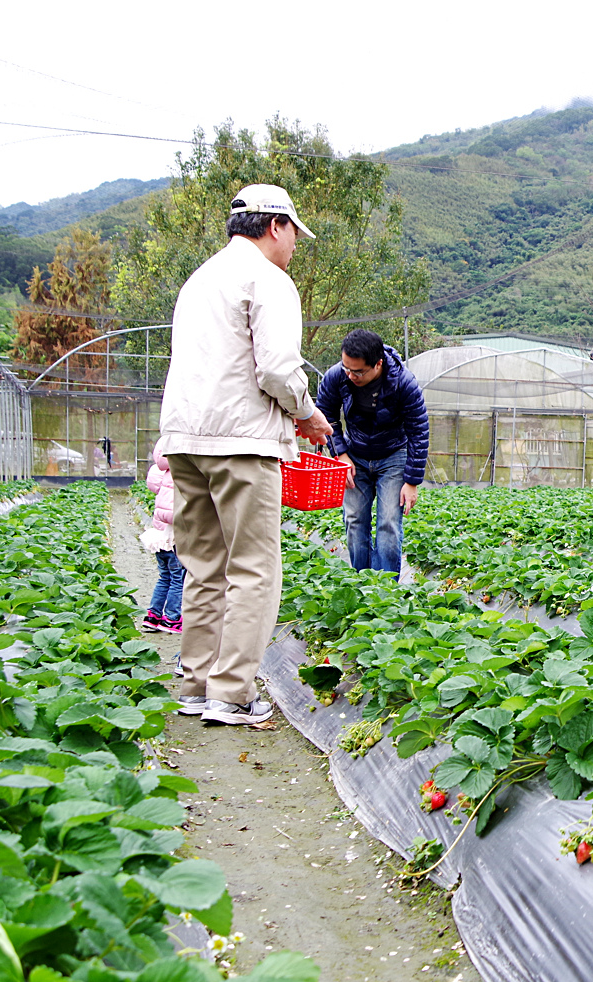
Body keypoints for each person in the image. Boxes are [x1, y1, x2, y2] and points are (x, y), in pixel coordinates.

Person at [160, 184, 334, 727]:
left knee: (203, 565)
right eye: (295, 237)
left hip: (186, 439)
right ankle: (232, 693)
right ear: (275, 225)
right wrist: (306, 413)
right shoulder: (270, 280)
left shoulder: (200, 278)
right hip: (241, 441)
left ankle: (194, 684)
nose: (294, 248)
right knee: (254, 568)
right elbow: (279, 369)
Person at [315, 328, 429, 575]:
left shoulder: (403, 382)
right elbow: (325, 417)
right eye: (346, 367)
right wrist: (340, 454)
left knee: (389, 522)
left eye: (357, 371)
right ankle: (361, 583)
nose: (350, 375)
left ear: (377, 364)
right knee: (354, 520)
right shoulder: (337, 376)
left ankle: (386, 591)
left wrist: (411, 481)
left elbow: (418, 431)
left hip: (393, 455)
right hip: (354, 453)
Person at [139, 439, 185, 636]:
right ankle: (172, 618)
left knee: (164, 576)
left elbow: (153, 485)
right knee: (178, 578)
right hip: (175, 534)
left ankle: (153, 616)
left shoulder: (163, 470)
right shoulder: (184, 471)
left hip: (159, 533)